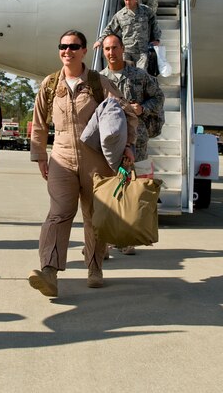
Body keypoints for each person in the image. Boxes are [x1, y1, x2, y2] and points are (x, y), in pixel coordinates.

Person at [28, 30, 137, 297]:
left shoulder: (98, 83)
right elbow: (39, 123)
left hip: (95, 159)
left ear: (84, 51)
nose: (67, 51)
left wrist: (128, 146)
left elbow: (127, 114)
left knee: (94, 216)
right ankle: (49, 272)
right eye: (63, 46)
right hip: (61, 157)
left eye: (74, 46)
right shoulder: (50, 84)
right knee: (59, 213)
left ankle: (94, 267)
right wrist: (40, 155)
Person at [99, 33, 165, 255]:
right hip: (110, 143)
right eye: (107, 49)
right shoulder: (99, 79)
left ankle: (128, 238)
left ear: (122, 48)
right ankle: (106, 240)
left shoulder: (139, 75)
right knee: (110, 190)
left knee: (133, 191)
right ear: (103, 52)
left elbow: (159, 97)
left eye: (114, 47)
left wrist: (143, 108)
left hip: (137, 142)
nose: (111, 52)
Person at [95, 0, 161, 71]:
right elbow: (110, 29)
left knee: (141, 73)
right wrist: (100, 41)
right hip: (127, 52)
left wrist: (156, 39)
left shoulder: (146, 11)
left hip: (142, 51)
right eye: (126, 0)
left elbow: (155, 25)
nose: (127, 2)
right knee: (127, 73)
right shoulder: (120, 15)